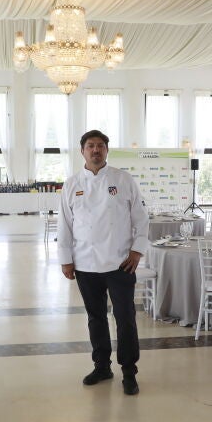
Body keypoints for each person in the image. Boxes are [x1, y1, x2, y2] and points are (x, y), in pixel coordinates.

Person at [59, 129, 150, 395]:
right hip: (85, 264)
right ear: (82, 151)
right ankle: (101, 366)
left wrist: (137, 251)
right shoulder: (71, 184)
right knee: (96, 318)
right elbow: (65, 225)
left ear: (107, 150)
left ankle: (129, 371)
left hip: (120, 263)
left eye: (100, 145)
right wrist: (66, 260)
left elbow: (141, 218)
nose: (95, 150)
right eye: (90, 146)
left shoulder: (123, 179)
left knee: (125, 318)